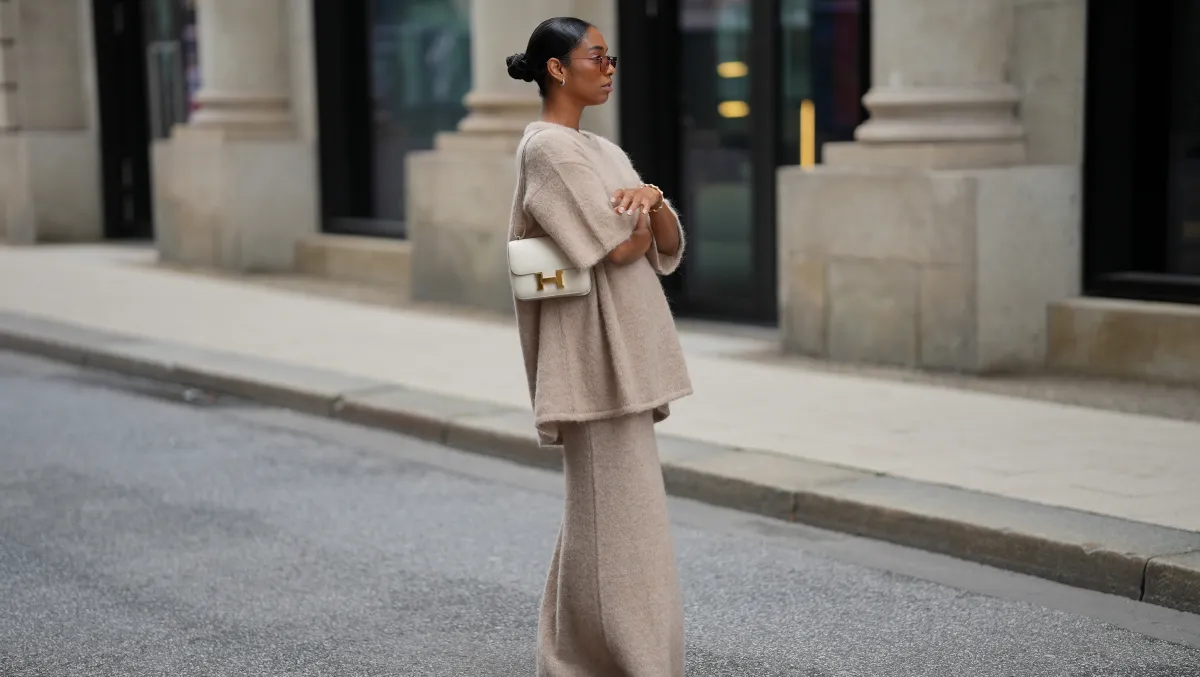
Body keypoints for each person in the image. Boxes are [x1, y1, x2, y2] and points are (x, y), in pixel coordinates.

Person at [505, 16, 691, 677]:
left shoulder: (599, 148)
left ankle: (575, 657)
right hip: (593, 355)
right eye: (597, 58)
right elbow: (618, 247)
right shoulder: (549, 150)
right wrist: (643, 211)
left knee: (606, 512)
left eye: (611, 59)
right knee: (619, 518)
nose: (609, 69)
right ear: (557, 69)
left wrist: (652, 199)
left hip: (621, 350)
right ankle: (632, 661)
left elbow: (663, 244)